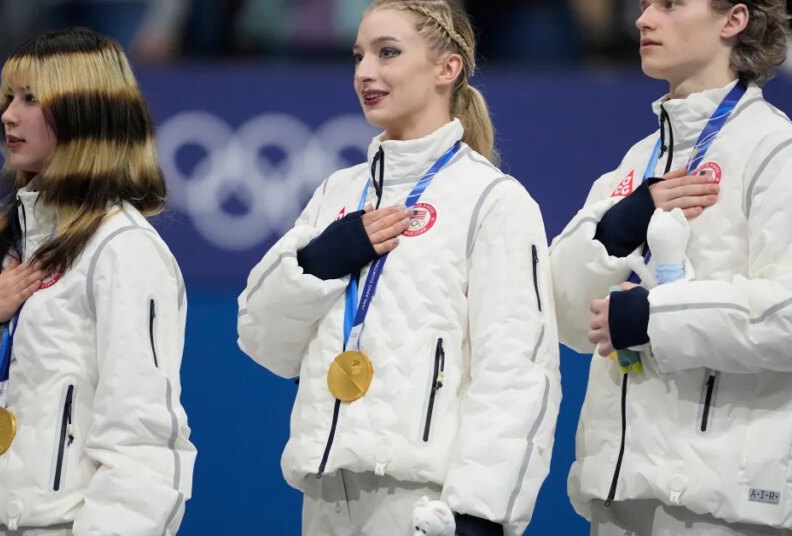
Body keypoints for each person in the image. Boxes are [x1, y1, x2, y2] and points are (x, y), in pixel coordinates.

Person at [237, 1, 561, 534]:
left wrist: (482, 512)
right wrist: (319, 263)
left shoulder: (493, 200)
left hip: (425, 504)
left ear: (446, 68)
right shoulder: (337, 194)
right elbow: (260, 339)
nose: (365, 71)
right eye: (359, 55)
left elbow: (518, 373)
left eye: (388, 53)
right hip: (324, 496)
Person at [549, 1, 792, 534]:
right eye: (644, 5)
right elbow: (564, 317)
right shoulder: (634, 166)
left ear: (733, 19)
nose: (644, 19)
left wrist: (655, 317)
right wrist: (613, 232)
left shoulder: (786, 159)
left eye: (669, 4)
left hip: (727, 509)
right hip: (618, 501)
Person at [0, 28, 195, 535]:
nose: (8, 115)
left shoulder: (125, 249)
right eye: (8, 97)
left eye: (31, 99)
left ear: (83, 112)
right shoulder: (11, 245)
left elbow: (144, 446)